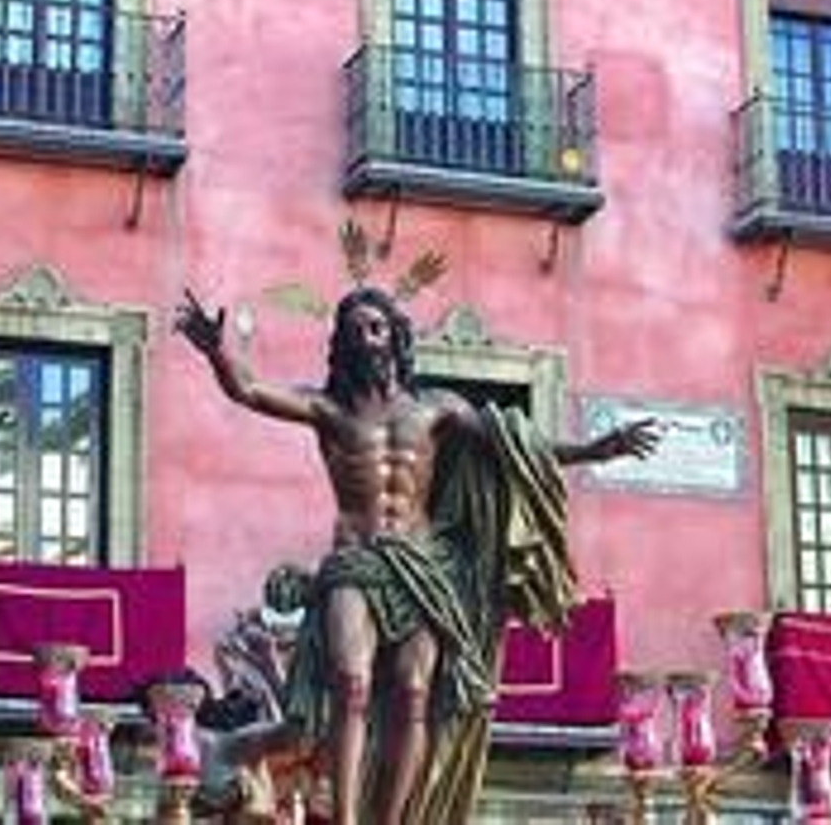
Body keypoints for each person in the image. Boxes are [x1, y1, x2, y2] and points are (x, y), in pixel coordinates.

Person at [176, 284, 657, 825]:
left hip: (422, 567)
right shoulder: (327, 408)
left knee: (414, 691)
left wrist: (594, 450)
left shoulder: (437, 410)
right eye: (355, 330)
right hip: (356, 562)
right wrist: (217, 349)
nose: (367, 338)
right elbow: (249, 390)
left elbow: (515, 447)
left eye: (376, 327)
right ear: (342, 344)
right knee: (350, 682)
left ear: (396, 337)